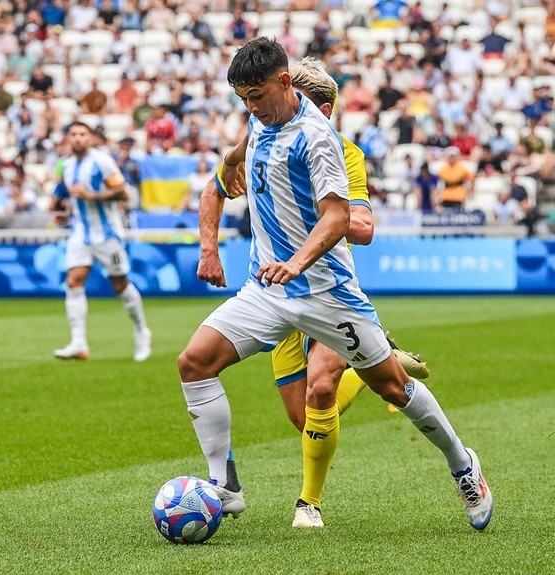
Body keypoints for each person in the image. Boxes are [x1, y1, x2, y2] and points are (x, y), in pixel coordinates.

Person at [179, 37, 492, 532]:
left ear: (284, 81)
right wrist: (225, 194)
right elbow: (232, 159)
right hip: (266, 291)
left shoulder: (318, 138)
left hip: (325, 292)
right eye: (243, 99)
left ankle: (462, 462)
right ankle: (225, 487)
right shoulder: (258, 121)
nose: (250, 107)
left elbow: (337, 217)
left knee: (393, 386)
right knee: (194, 363)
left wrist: (296, 262)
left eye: (256, 96)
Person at [51, 121, 152, 362]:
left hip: (107, 234)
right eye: (73, 134)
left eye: (82, 134)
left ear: (90, 138)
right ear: (68, 139)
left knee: (119, 284)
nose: (77, 138)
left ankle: (141, 331)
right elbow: (73, 199)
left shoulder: (101, 161)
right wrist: (63, 208)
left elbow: (122, 193)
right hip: (79, 233)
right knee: (73, 281)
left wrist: (92, 196)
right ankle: (78, 342)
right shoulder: (67, 166)